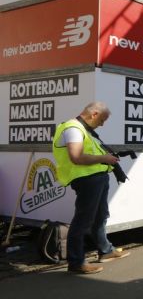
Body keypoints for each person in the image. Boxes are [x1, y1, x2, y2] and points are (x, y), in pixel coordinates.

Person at [52, 102, 131, 274]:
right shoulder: (73, 128)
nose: (102, 124)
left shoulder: (82, 129)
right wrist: (105, 159)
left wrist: (106, 159)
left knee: (100, 216)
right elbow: (76, 157)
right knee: (83, 220)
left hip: (96, 178)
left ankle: (106, 251)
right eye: (102, 120)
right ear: (94, 114)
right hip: (87, 180)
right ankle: (76, 262)